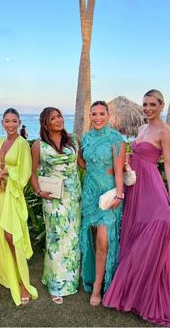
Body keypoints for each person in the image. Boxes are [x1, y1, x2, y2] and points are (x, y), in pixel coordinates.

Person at [103, 90, 170, 326]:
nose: (148, 108)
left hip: (152, 187)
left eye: (153, 104)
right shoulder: (141, 128)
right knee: (135, 236)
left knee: (162, 222)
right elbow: (134, 154)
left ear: (162, 105)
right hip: (135, 187)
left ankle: (144, 290)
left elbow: (169, 165)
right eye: (145, 104)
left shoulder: (165, 131)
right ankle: (134, 292)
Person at [30, 107, 83, 304]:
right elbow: (32, 172)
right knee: (56, 239)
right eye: (53, 118)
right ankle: (55, 284)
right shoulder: (38, 146)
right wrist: (39, 192)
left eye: (59, 116)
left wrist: (111, 165)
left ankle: (70, 280)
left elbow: (81, 164)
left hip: (73, 197)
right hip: (52, 197)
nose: (59, 120)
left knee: (72, 238)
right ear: (46, 123)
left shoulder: (73, 140)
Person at [0, 108, 38, 306]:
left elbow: (24, 173)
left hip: (11, 195)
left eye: (14, 121)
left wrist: (6, 173)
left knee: (11, 237)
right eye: (7, 121)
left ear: (19, 122)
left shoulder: (22, 144)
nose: (10, 125)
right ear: (2, 123)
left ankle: (24, 284)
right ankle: (8, 275)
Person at [80, 101, 126, 306]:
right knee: (91, 237)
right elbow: (81, 162)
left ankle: (98, 287)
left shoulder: (116, 139)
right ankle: (91, 277)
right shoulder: (87, 138)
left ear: (108, 115)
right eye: (94, 114)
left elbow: (119, 170)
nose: (97, 118)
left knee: (103, 240)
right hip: (90, 192)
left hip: (109, 193)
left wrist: (119, 194)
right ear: (90, 116)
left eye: (101, 113)